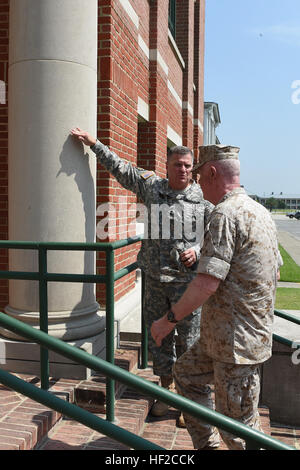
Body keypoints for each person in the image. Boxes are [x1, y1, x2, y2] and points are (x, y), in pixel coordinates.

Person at [70, 127, 213, 421]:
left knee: (189, 340)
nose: (183, 170)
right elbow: (122, 168)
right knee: (159, 338)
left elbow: (213, 235)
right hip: (155, 281)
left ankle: (187, 403)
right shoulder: (152, 187)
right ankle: (166, 389)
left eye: (188, 165)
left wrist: (197, 250)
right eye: (178, 165)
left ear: (192, 169)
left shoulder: (203, 200)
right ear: (168, 166)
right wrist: (94, 144)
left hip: (186, 284)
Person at [151, 144, 283, 449]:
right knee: (185, 375)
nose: (196, 182)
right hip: (220, 339)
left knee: (239, 431)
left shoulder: (225, 214)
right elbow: (274, 273)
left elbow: (206, 283)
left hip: (236, 347)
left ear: (211, 173)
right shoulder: (260, 211)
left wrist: (168, 321)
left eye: (199, 176)